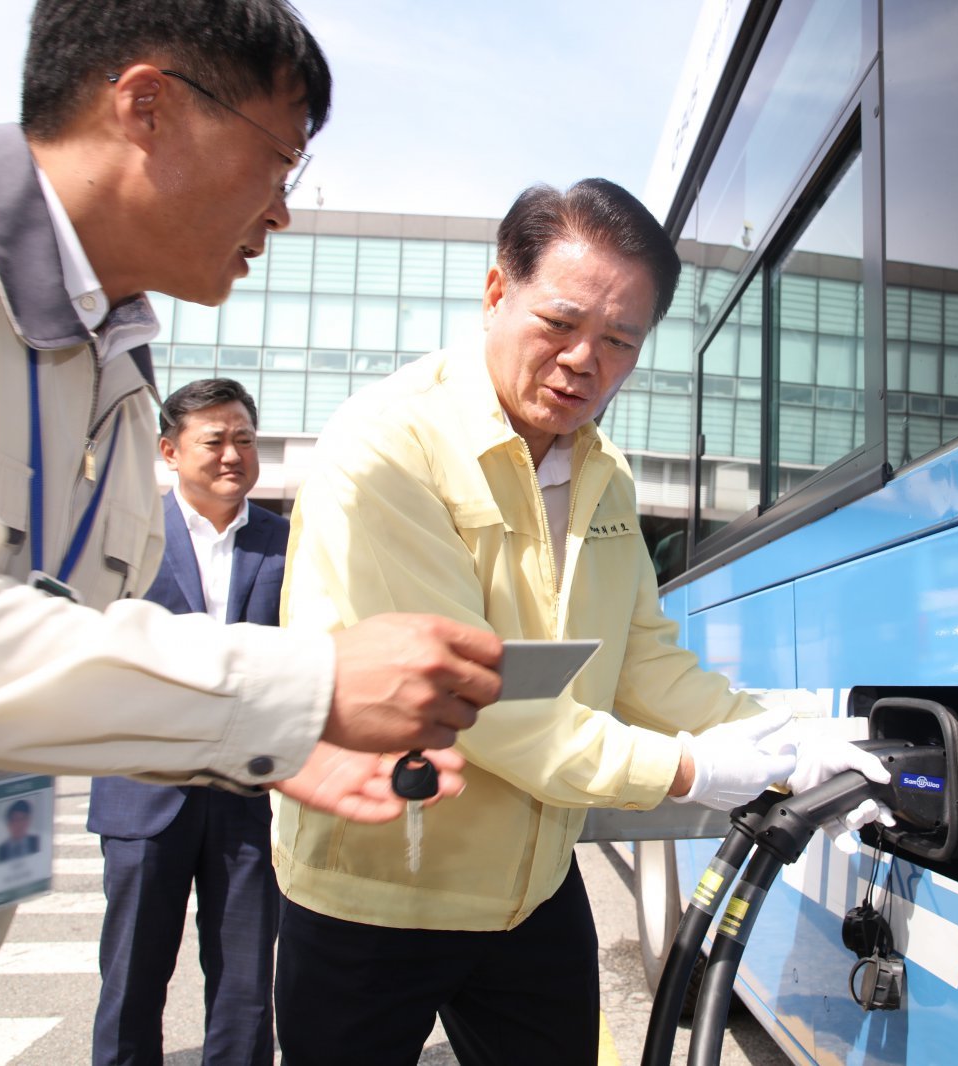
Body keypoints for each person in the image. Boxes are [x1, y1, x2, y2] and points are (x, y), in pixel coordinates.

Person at [0, 2, 502, 1062]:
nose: (281, 212)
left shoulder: (114, 369)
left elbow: (56, 640)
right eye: (279, 161)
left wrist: (269, 746)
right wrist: (303, 686)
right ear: (147, 105)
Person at [273, 178, 891, 1063]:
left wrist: (782, 739)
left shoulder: (603, 469)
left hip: (529, 892)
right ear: (497, 292)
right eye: (559, 325)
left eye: (618, 341)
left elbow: (643, 663)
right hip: (377, 891)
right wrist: (685, 769)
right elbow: (462, 697)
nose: (583, 361)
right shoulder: (387, 449)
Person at [88, 379, 287, 1065]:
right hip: (147, 789)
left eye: (245, 439)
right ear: (171, 451)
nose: (233, 455)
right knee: (132, 983)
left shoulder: (285, 542)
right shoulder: (130, 529)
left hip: (246, 796)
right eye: (216, 441)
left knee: (244, 985)